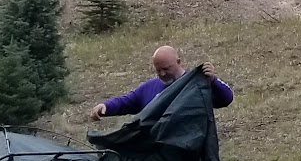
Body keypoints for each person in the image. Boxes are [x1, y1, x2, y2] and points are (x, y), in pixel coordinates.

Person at [90, 44, 233, 120]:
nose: (162, 74)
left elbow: (226, 99)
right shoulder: (150, 88)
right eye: (158, 70)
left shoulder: (195, 85)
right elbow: (127, 102)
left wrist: (213, 81)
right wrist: (105, 106)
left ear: (178, 62)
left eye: (166, 69)